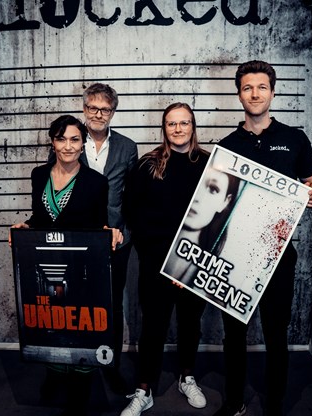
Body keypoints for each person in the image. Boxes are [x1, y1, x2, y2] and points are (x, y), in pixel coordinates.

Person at [213, 60, 312, 416]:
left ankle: (274, 403)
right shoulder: (227, 146)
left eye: (262, 87)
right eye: (248, 88)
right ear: (239, 95)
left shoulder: (294, 139)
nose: (255, 93)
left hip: (278, 254)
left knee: (276, 333)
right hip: (235, 255)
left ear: (272, 92)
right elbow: (217, 203)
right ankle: (234, 401)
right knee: (234, 334)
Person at [10, 115, 122, 416]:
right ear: (52, 142)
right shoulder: (38, 175)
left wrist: (111, 232)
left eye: (74, 139)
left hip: (80, 268)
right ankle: (55, 373)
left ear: (82, 143)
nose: (68, 146)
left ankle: (80, 388)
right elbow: (40, 217)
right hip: (46, 265)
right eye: (61, 139)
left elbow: (100, 224)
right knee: (52, 321)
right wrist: (26, 227)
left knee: (80, 325)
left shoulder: (96, 182)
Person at [120, 103, 210, 416]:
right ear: (164, 128)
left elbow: (217, 219)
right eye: (172, 123)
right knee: (153, 327)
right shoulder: (148, 164)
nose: (178, 129)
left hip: (196, 262)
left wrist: (187, 263)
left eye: (184, 123)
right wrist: (164, 261)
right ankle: (144, 390)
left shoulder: (210, 164)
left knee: (190, 324)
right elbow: (133, 213)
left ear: (193, 126)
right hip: (156, 263)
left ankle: (187, 377)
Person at [79, 82, 138, 394]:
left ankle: (111, 365)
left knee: (112, 306)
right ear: (84, 109)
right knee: (80, 304)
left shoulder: (127, 147)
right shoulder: (70, 140)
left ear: (113, 112)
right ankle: (79, 366)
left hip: (117, 240)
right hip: (80, 239)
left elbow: (133, 194)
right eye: (93, 107)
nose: (98, 114)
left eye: (105, 109)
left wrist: (124, 229)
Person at [163, 167, 241, 285]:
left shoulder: (212, 275)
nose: (197, 197)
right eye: (195, 182)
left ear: (225, 202)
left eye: (213, 189)